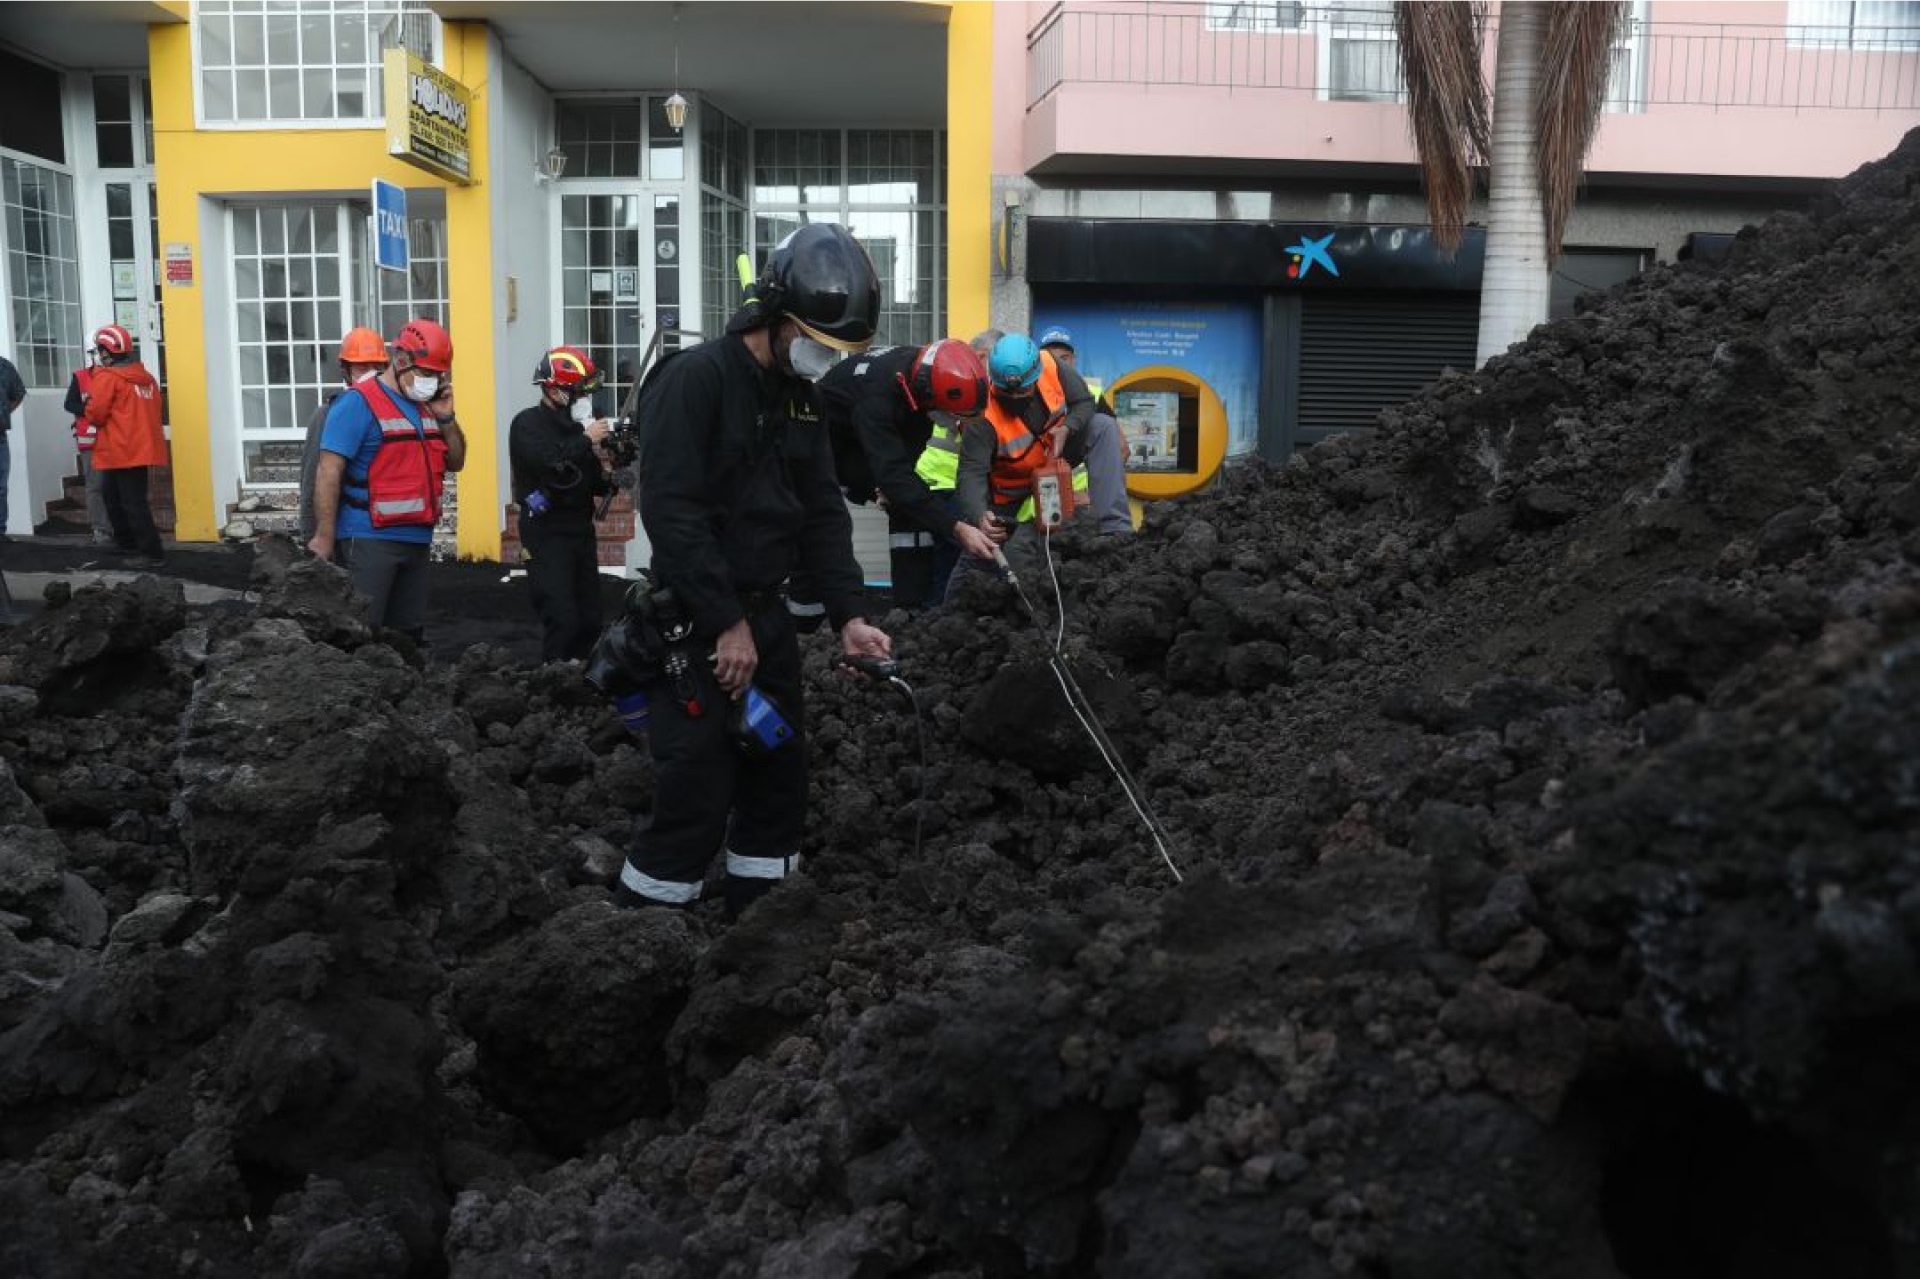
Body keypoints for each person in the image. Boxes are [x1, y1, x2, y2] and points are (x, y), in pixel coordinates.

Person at [613, 221, 893, 918]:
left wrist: (850, 616)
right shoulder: (695, 380)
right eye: (817, 341)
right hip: (700, 629)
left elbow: (822, 513)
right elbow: (672, 512)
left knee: (778, 775)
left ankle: (758, 931)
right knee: (698, 788)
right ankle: (644, 935)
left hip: (765, 629)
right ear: (773, 316)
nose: (826, 359)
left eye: (841, 350)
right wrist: (725, 621)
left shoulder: (800, 399)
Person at [306, 317, 467, 643]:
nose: (432, 381)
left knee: (407, 637)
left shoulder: (427, 407)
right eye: (426, 374)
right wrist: (323, 537)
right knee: (361, 635)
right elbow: (327, 472)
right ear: (401, 361)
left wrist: (447, 418)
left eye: (439, 375)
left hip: (417, 541)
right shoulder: (357, 403)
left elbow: (457, 461)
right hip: (368, 539)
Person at [816, 337, 999, 608]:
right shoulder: (878, 396)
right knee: (824, 532)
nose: (954, 423)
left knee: (911, 511)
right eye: (951, 415)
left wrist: (894, 489)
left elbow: (910, 445)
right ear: (928, 395)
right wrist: (956, 528)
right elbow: (893, 471)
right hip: (822, 450)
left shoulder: (920, 377)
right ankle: (811, 624)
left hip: (862, 442)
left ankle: (912, 614)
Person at [947, 332, 1133, 597]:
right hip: (1009, 484)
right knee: (981, 549)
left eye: (1022, 390)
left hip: (1054, 452)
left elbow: (1083, 403)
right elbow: (970, 474)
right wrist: (979, 515)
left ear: (1035, 376)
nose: (1014, 397)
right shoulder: (980, 418)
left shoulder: (1052, 366)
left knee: (1102, 426)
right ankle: (950, 608)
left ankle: (1115, 531)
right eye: (1005, 391)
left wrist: (1069, 427)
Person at [509, 345, 613, 662]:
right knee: (562, 619)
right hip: (545, 533)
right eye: (578, 391)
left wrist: (609, 467)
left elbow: (594, 482)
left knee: (590, 620)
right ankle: (552, 687)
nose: (584, 398)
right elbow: (550, 463)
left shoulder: (579, 430)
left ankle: (582, 687)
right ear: (554, 390)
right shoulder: (527, 424)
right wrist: (586, 439)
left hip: (579, 531)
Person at [83, 325, 169, 567]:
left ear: (106, 351)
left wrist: (88, 404)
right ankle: (129, 544)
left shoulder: (107, 378)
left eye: (100, 350)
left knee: (130, 502)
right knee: (115, 497)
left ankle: (151, 553)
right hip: (140, 447)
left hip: (119, 448)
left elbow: (96, 415)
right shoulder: (147, 378)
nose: (99, 355)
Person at [299, 328, 389, 545]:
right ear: (346, 371)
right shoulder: (327, 415)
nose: (371, 374)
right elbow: (312, 481)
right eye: (362, 367)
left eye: (377, 367)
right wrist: (313, 538)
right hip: (346, 533)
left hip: (388, 535)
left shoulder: (395, 413)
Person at [61, 354, 113, 545]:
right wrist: (92, 410)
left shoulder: (118, 376)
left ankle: (120, 529)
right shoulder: (81, 377)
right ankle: (101, 529)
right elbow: (69, 404)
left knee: (116, 487)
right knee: (95, 486)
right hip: (91, 441)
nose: (102, 358)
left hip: (116, 441)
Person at [0, 352, 23, 541]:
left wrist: (5, 412)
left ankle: (0, 531)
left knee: (1, 487)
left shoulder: (5, 367)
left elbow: (18, 393)